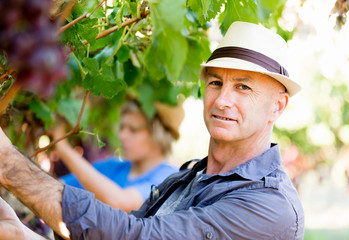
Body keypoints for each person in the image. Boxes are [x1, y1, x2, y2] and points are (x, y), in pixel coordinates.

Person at [0, 21, 304, 240]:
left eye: (243, 87)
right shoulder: (183, 179)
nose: (222, 100)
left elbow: (138, 236)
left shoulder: (270, 207)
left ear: (278, 106)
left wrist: (8, 164)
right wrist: (22, 235)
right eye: (215, 82)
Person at [50, 99, 182, 213]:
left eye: (133, 129)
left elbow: (121, 203)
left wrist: (61, 145)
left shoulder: (170, 178)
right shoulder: (111, 166)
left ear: (158, 135)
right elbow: (56, 187)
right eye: (122, 128)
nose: (122, 136)